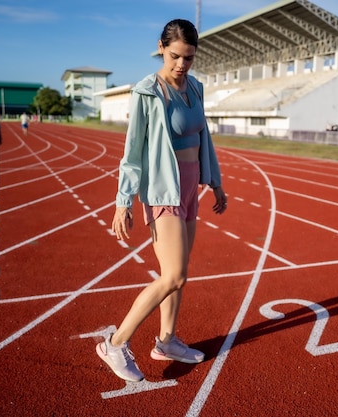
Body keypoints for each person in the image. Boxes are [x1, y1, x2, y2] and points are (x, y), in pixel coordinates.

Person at [95, 19, 228, 382]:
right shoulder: (146, 92)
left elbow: (205, 138)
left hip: (190, 190)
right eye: (174, 56)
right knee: (173, 275)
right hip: (161, 192)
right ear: (160, 48)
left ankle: (166, 341)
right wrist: (123, 202)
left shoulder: (196, 87)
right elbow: (132, 152)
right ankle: (116, 343)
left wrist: (214, 182)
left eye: (188, 58)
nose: (181, 65)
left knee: (179, 278)